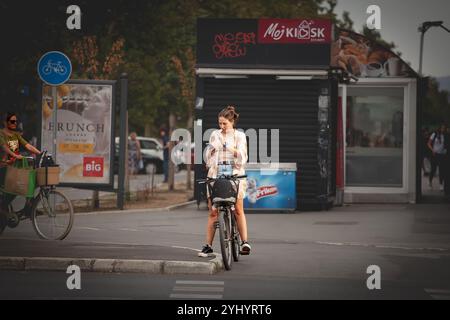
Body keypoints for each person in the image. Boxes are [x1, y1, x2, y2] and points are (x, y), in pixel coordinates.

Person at [198, 106, 251, 257]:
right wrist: (211, 150)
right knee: (213, 211)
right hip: (216, 174)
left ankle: (244, 242)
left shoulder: (239, 136)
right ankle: (208, 245)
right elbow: (207, 159)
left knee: (239, 209)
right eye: (220, 123)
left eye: (224, 124)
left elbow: (242, 157)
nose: (221, 127)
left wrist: (228, 148)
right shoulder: (215, 134)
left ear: (232, 122)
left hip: (234, 174)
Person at [0, 112, 41, 216]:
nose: (15, 123)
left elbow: (28, 146)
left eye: (15, 121)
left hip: (14, 166)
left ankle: (28, 205)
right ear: (5, 123)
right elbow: (4, 146)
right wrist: (14, 155)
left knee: (30, 179)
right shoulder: (1, 133)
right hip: (4, 166)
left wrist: (40, 153)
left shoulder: (16, 135)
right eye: (12, 121)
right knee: (14, 188)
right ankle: (4, 207)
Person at [427, 124, 447, 191]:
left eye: (444, 128)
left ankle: (441, 184)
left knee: (442, 170)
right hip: (435, 154)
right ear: (439, 128)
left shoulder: (445, 135)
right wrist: (432, 150)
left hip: (442, 154)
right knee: (433, 169)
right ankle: (430, 182)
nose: (443, 129)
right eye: (442, 128)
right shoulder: (434, 134)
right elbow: (429, 143)